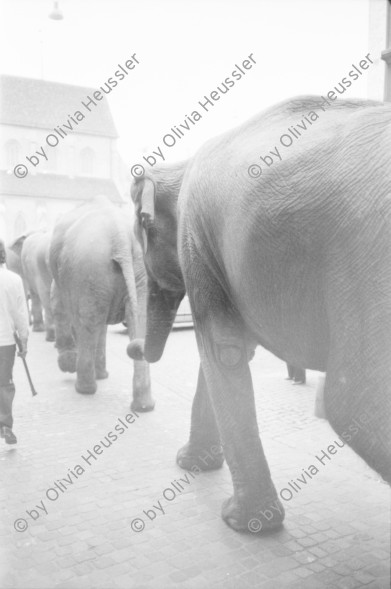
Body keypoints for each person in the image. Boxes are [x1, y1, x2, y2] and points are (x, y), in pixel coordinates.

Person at [0, 238, 29, 444]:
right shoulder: (14, 280)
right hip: (5, 343)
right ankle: (5, 425)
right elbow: (20, 315)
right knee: (4, 384)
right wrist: (24, 341)